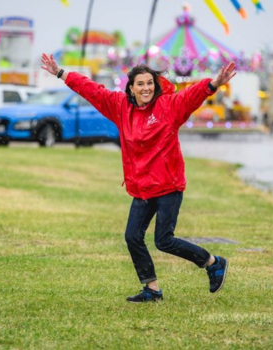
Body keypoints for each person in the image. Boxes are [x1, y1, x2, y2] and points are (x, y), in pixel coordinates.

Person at [41, 53, 236, 303]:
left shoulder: (168, 107)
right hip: (142, 187)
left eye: (149, 83)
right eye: (140, 84)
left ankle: (213, 262)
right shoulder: (119, 106)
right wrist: (61, 73)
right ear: (131, 88)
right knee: (132, 236)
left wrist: (213, 84)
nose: (146, 88)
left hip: (168, 185)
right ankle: (152, 290)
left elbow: (192, 95)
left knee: (164, 240)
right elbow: (92, 90)